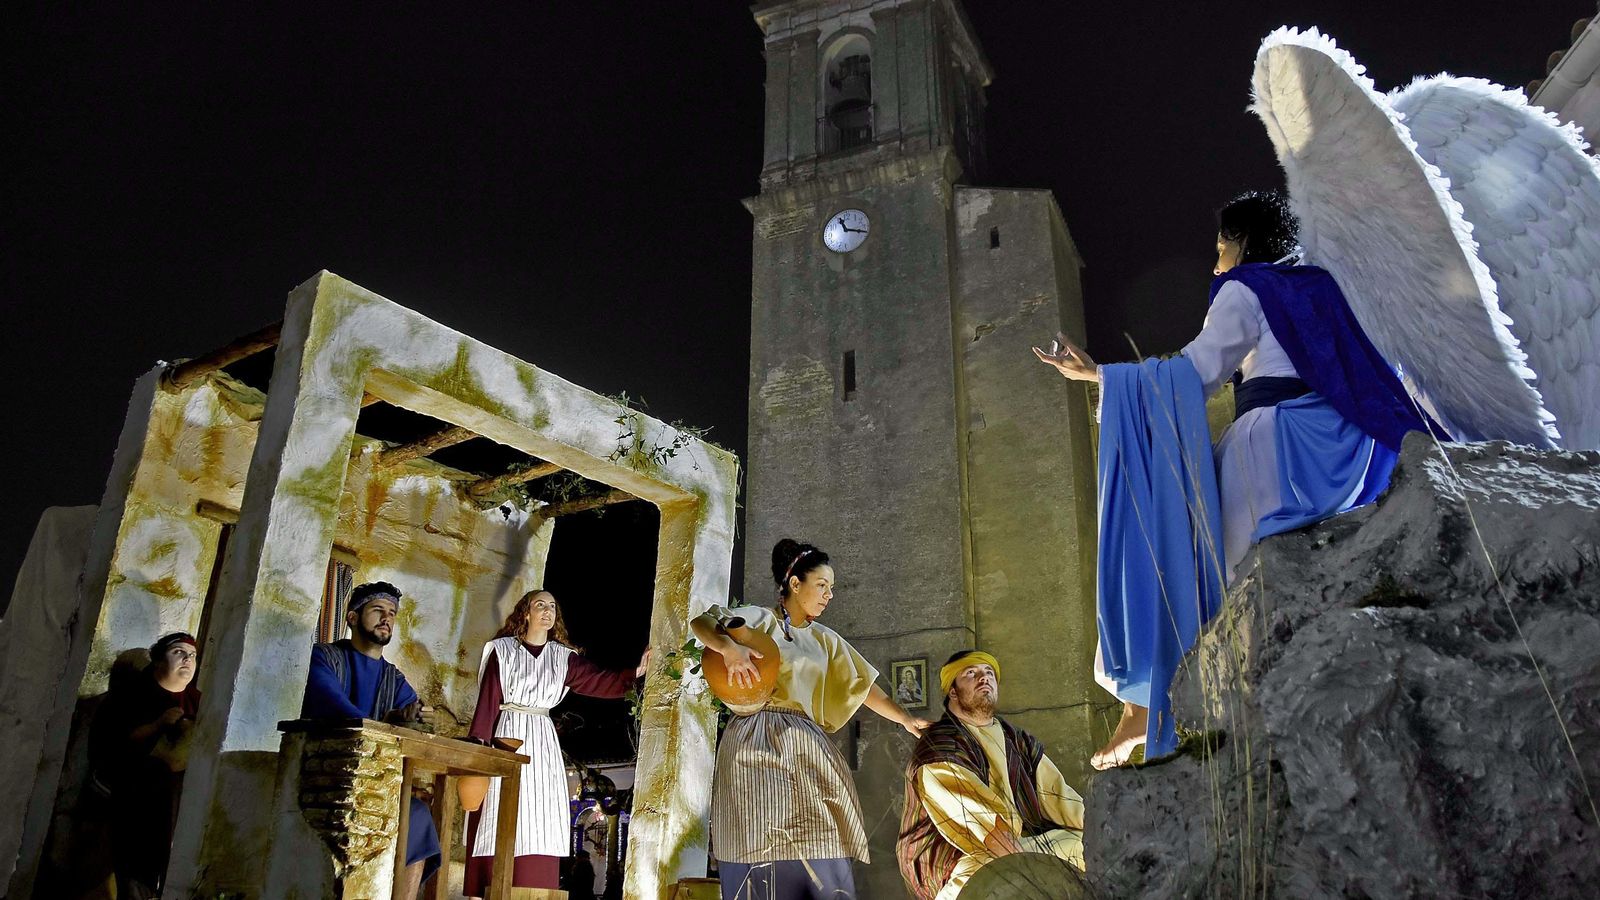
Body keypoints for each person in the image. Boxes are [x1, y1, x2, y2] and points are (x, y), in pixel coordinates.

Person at [1034, 192, 1435, 769]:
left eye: (1221, 248)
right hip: (1355, 454)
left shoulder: (1248, 288)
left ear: (1244, 245)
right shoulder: (1328, 286)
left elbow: (1196, 372)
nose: (1215, 263)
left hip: (1281, 447)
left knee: (1183, 548)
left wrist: (1102, 376)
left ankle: (1149, 706)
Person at [692, 538, 934, 900]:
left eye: (831, 588)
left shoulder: (827, 640)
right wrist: (729, 648)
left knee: (823, 834)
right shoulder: (760, 620)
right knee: (760, 833)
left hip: (808, 745)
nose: (829, 595)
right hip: (755, 742)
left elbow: (863, 685)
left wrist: (905, 720)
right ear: (795, 584)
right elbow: (702, 622)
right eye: (822, 585)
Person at [463, 590, 647, 897]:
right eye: (540, 605)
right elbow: (488, 701)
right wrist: (479, 748)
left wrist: (636, 674)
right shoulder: (502, 651)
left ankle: (534, 886)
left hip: (542, 741)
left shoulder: (563, 658)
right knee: (499, 804)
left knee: (540, 812)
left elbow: (600, 681)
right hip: (507, 734)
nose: (547, 611)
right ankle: (493, 883)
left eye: (552, 606)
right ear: (525, 613)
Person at [897, 650, 1085, 900]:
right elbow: (985, 828)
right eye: (971, 673)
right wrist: (1025, 866)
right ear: (953, 692)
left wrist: (1098, 830)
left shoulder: (1017, 740)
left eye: (988, 673)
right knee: (994, 873)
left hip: (1021, 845)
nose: (983, 678)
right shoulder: (940, 748)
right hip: (961, 859)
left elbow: (1059, 798)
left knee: (1089, 846)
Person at [301, 582, 441, 900]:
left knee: (417, 813)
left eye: (391, 613)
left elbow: (413, 720)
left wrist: (418, 720)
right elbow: (335, 706)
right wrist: (392, 721)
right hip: (327, 777)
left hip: (378, 783)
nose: (386, 618)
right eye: (378, 610)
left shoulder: (394, 678)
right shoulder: (325, 658)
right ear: (352, 617)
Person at [90, 632, 202, 899]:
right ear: (158, 661)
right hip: (131, 780)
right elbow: (112, 741)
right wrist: (158, 724)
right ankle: (140, 886)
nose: (187, 659)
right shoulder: (132, 694)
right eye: (178, 652)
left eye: (193, 656)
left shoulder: (198, 701)